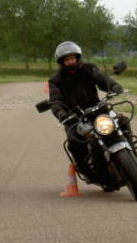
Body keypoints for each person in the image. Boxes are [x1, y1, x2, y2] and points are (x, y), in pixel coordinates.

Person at [48, 41, 124, 179]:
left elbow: (102, 79)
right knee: (74, 142)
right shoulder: (56, 80)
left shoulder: (89, 69)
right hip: (74, 117)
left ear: (77, 57)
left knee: (121, 120)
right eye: (67, 59)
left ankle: (127, 146)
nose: (71, 61)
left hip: (97, 108)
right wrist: (60, 113)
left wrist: (113, 86)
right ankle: (88, 172)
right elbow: (55, 100)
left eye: (72, 58)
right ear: (62, 62)